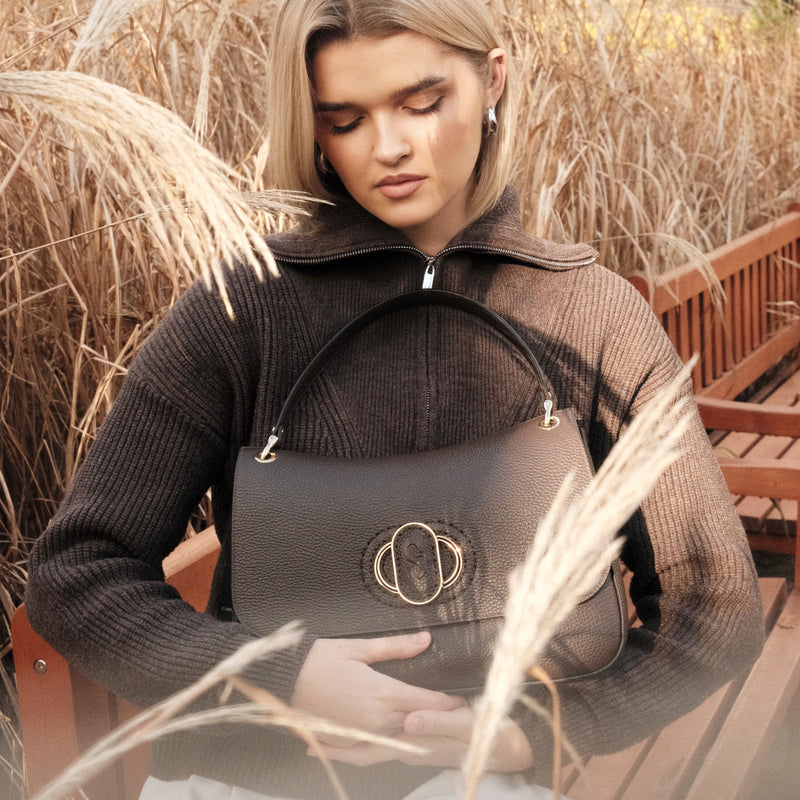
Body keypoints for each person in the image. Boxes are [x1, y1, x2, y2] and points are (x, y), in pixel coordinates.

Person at [26, 1, 765, 798]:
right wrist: (282, 673)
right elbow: (75, 573)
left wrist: (537, 734)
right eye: (343, 120)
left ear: (492, 78)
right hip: (253, 782)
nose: (388, 148)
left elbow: (716, 606)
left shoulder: (592, 315)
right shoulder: (246, 308)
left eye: (421, 103)